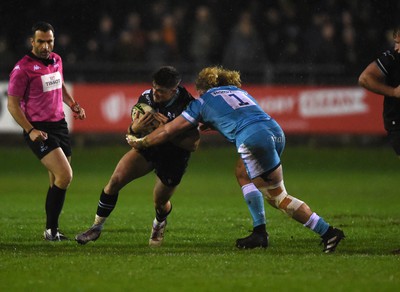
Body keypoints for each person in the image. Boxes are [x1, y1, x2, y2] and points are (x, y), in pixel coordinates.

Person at [130, 66, 345, 253]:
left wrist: (142, 142)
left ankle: (327, 232)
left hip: (252, 139)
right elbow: (237, 114)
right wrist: (214, 123)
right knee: (243, 173)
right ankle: (259, 233)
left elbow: (168, 131)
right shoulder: (237, 91)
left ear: (202, 89)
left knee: (278, 197)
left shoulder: (203, 100)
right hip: (274, 131)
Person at [75, 66, 199, 246]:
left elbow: (193, 144)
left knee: (160, 202)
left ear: (174, 90)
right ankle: (95, 228)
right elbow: (133, 129)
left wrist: (168, 132)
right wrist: (134, 129)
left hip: (175, 157)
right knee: (115, 181)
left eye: (161, 92)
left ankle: (159, 222)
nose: (155, 93)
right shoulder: (147, 97)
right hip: (149, 149)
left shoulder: (188, 105)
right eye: (154, 88)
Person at [7, 21, 86, 241]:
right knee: (65, 175)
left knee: (56, 180)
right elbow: (12, 105)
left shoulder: (56, 60)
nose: (45, 45)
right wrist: (30, 129)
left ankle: (52, 230)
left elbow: (59, 84)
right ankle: (51, 230)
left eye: (49, 41)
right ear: (32, 42)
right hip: (38, 129)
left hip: (59, 124)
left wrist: (72, 104)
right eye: (40, 41)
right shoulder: (22, 69)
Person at [358, 25, 400, 255]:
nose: (396, 47)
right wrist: (393, 92)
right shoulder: (392, 59)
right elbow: (365, 79)